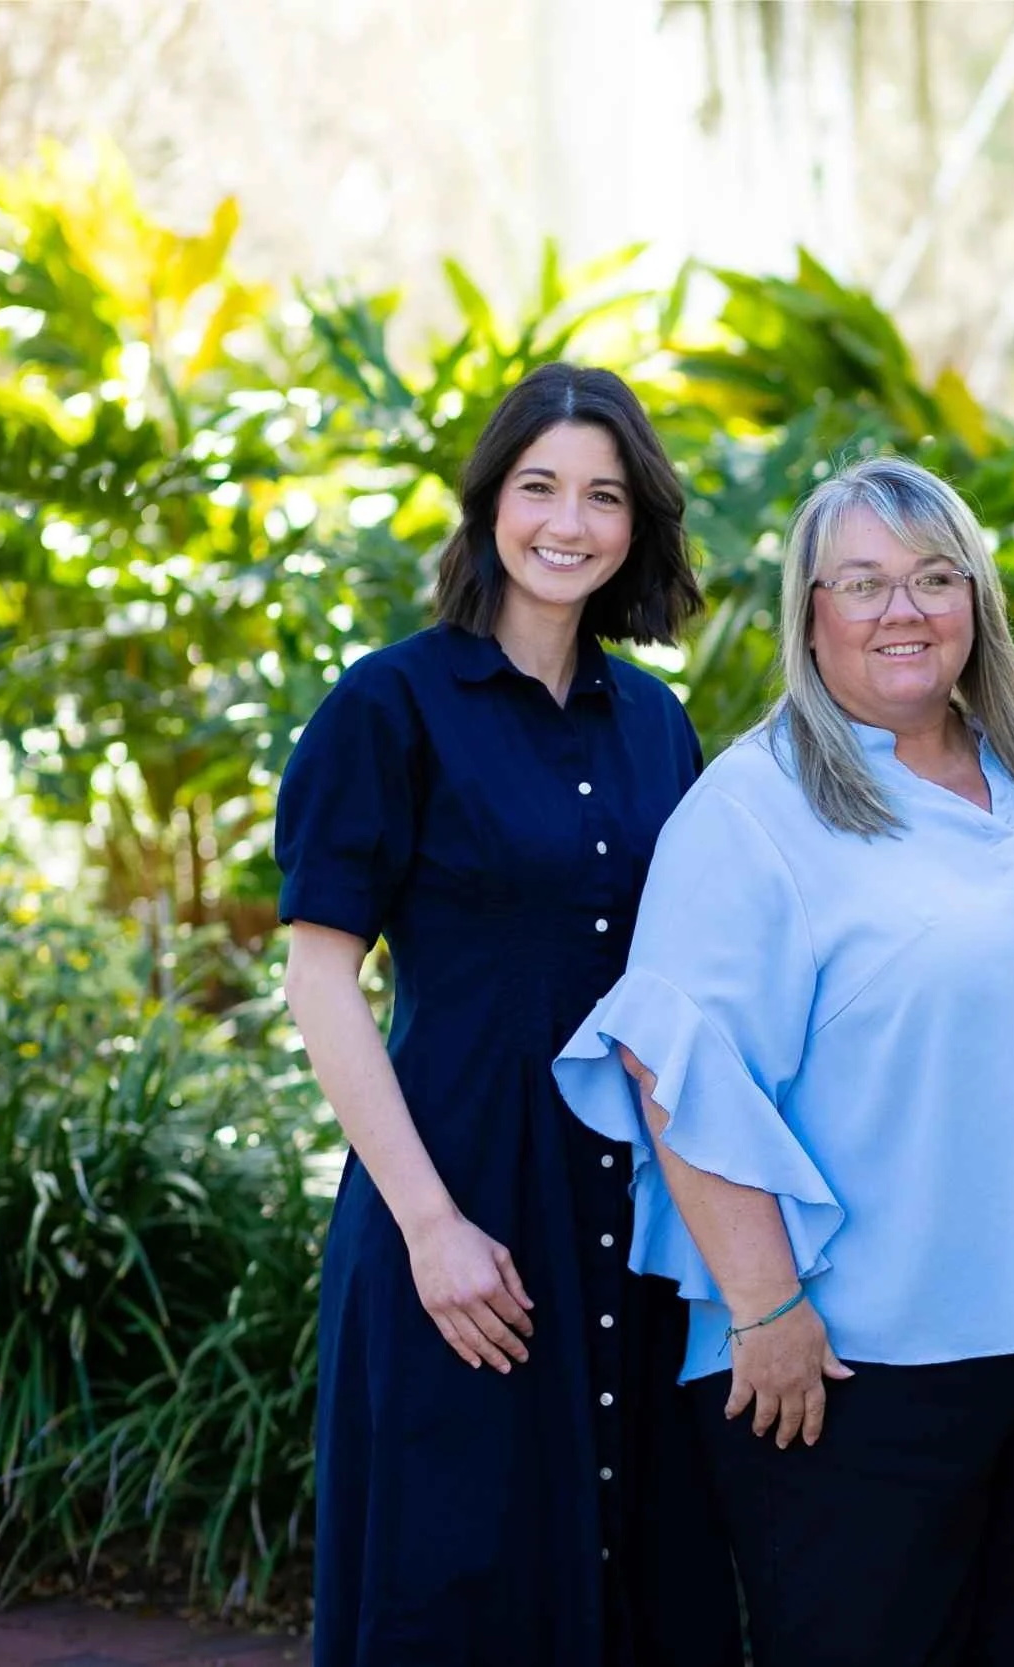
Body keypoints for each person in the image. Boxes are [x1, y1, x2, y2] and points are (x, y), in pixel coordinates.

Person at [553, 454, 1014, 1667]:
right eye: (862, 583)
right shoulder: (756, 806)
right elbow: (671, 1062)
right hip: (848, 1360)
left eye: (933, 577)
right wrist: (767, 1305)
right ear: (811, 613)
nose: (902, 610)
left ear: (976, 603)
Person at [277, 363, 738, 1667]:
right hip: (458, 1197)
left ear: (636, 523)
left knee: (638, 1573)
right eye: (539, 486)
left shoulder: (658, 725)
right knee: (454, 1575)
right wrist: (430, 1226)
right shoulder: (388, 704)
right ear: (488, 504)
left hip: (631, 1208)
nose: (568, 521)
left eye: (603, 495)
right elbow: (322, 977)